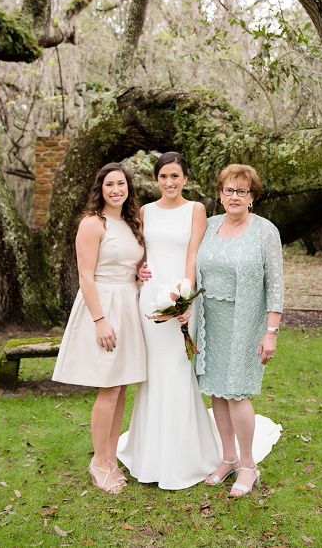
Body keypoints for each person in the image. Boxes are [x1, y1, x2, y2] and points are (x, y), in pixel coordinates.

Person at [117, 152, 220, 490]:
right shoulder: (145, 211)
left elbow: (193, 254)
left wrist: (186, 298)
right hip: (149, 296)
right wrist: (137, 270)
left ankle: (184, 456)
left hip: (180, 297)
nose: (170, 182)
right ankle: (148, 452)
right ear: (156, 179)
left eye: (175, 176)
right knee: (152, 372)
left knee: (177, 368)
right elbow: (138, 250)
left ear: (185, 178)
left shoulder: (196, 210)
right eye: (164, 176)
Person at [52, 163, 148, 493]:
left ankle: (110, 457)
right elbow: (85, 276)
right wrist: (99, 320)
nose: (116, 190)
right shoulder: (93, 224)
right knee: (108, 386)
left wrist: (140, 275)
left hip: (129, 303)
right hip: (104, 305)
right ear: (100, 189)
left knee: (121, 385)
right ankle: (97, 461)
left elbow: (131, 265)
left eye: (121, 184)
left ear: (128, 188)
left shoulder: (131, 223)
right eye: (110, 184)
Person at [194, 164, 284, 498]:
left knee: (238, 392)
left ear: (252, 197)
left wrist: (270, 330)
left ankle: (248, 464)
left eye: (241, 191)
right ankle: (228, 457)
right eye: (229, 190)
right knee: (217, 390)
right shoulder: (209, 225)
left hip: (244, 321)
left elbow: (275, 284)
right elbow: (190, 262)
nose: (234, 196)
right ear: (219, 193)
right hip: (210, 322)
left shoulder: (265, 231)